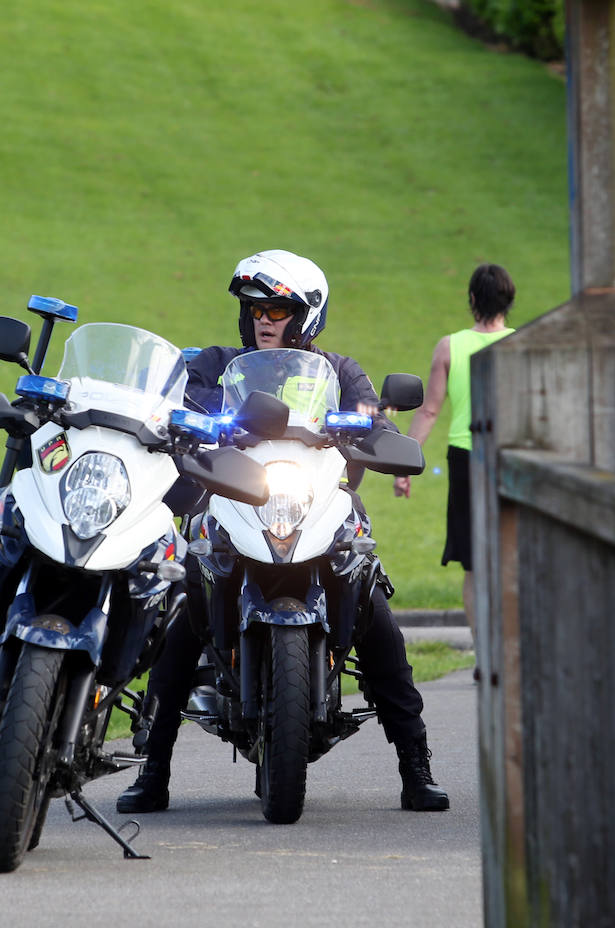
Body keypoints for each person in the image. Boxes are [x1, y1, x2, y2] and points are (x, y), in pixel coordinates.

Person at [117, 249, 450, 814]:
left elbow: (374, 416)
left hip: (321, 505)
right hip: (235, 505)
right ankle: (154, 770)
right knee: (187, 612)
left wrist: (376, 426)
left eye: (276, 308)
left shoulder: (341, 372)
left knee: (374, 613)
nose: (263, 319)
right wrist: (181, 418)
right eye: (253, 308)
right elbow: (178, 407)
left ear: (307, 315)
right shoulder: (217, 365)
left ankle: (415, 763)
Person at [392, 264, 515, 631]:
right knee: (510, 556)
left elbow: (429, 411)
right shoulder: (522, 345)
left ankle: (483, 657)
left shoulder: (451, 346)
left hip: (466, 457)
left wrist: (403, 466)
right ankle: (510, 650)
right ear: (509, 300)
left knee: (474, 562)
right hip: (511, 455)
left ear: (472, 299)